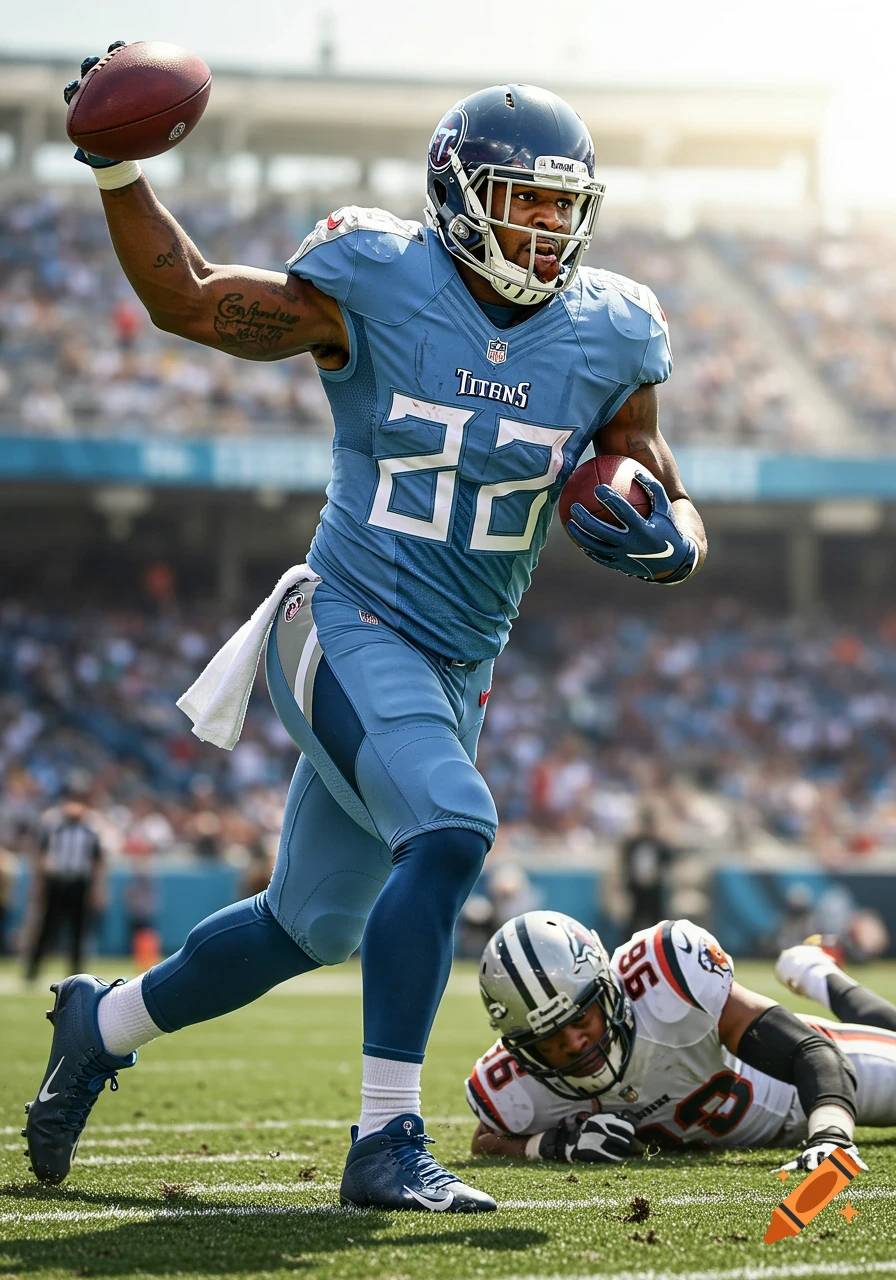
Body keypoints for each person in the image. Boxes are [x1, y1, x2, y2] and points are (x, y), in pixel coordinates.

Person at [25, 51, 707, 1212]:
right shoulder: (377, 280)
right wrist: (115, 168)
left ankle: (102, 1019)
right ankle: (386, 1139)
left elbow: (651, 469)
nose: (545, 230)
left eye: (562, 206)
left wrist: (672, 532)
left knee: (306, 925)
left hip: (457, 665)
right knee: (449, 827)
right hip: (342, 617)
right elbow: (189, 296)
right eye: (522, 202)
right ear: (457, 200)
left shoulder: (610, 334)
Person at [466, 912, 896, 1169]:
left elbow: (810, 1051)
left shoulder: (663, 978)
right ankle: (814, 970)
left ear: (608, 990)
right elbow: (486, 1140)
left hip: (795, 1090)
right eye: (550, 1040)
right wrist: (552, 1146)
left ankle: (818, 974)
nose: (576, 1044)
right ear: (521, 1046)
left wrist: (830, 1136)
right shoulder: (515, 1080)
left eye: (584, 1019)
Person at [23, 789, 106, 983]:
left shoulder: (91, 830)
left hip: (79, 883)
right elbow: (40, 857)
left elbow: (97, 863)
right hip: (57, 882)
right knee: (46, 929)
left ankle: (76, 973)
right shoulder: (53, 827)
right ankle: (32, 970)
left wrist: (97, 889)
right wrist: (39, 884)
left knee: (78, 930)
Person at [619, 806, 674, 935]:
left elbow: (668, 862)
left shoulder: (660, 844)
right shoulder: (633, 843)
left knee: (658, 920)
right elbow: (626, 863)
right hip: (637, 887)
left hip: (655, 887)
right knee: (634, 920)